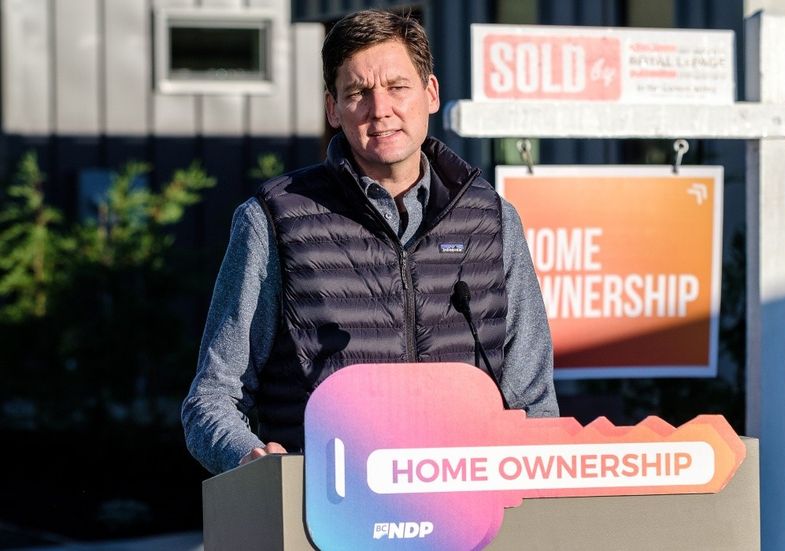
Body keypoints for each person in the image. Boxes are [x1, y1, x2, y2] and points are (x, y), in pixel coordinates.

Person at [181, 8, 558, 474]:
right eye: (358, 92)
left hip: (470, 517)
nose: (380, 110)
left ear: (431, 93)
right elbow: (213, 400)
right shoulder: (273, 220)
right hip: (327, 517)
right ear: (332, 110)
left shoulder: (493, 220)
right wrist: (251, 459)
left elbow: (534, 407)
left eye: (398, 87)